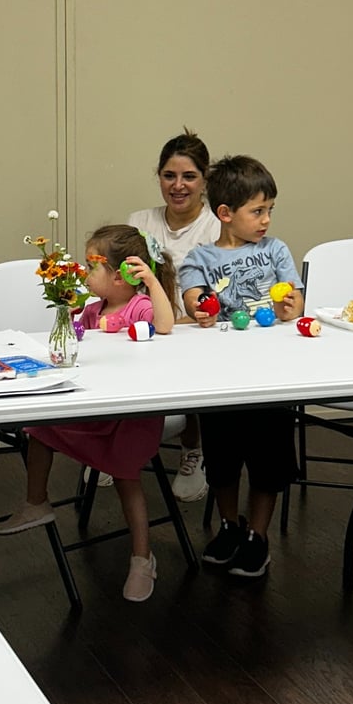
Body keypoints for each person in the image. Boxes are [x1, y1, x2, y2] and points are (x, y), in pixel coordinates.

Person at [0, 224, 176, 602]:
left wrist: (152, 282)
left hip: (132, 415)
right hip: (97, 407)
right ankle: (36, 501)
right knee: (40, 426)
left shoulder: (138, 306)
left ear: (121, 275)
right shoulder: (93, 309)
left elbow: (165, 325)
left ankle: (143, 557)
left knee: (127, 475)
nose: (85, 273)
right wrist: (69, 315)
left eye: (92, 266)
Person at [180, 155, 304, 578]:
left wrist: (290, 308)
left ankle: (258, 534)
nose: (266, 219)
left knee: (269, 459)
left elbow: (295, 305)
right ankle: (230, 525)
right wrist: (199, 307)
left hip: (272, 375)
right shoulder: (201, 256)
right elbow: (193, 297)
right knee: (224, 456)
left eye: (270, 209)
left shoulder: (276, 251)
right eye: (257, 211)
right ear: (226, 214)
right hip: (224, 376)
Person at [129, 128, 220, 503]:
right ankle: (114, 446)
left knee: (194, 361)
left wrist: (179, 324)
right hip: (143, 325)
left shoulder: (218, 226)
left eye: (189, 176)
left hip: (197, 329)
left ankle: (193, 449)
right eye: (169, 175)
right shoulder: (139, 221)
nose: (178, 185)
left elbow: (219, 300)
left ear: (205, 180)